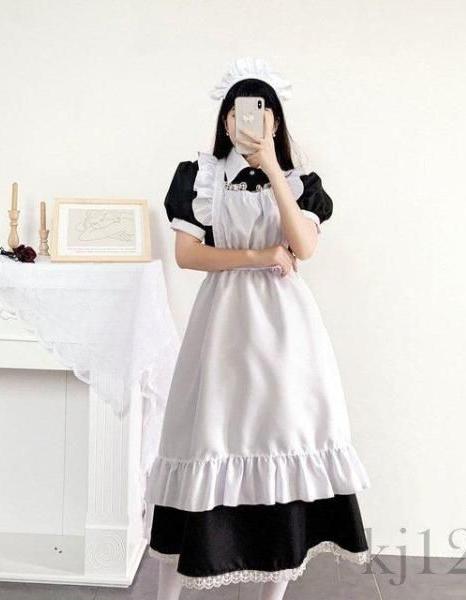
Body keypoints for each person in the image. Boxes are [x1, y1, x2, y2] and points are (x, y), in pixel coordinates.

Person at [146, 57, 372, 600]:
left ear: (276, 120)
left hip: (286, 331)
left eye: (263, 110)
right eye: (239, 111)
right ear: (225, 119)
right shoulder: (199, 176)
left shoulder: (299, 182)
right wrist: (258, 255)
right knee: (206, 437)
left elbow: (304, 246)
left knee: (284, 436)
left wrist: (271, 168)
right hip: (222, 325)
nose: (250, 119)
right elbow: (187, 255)